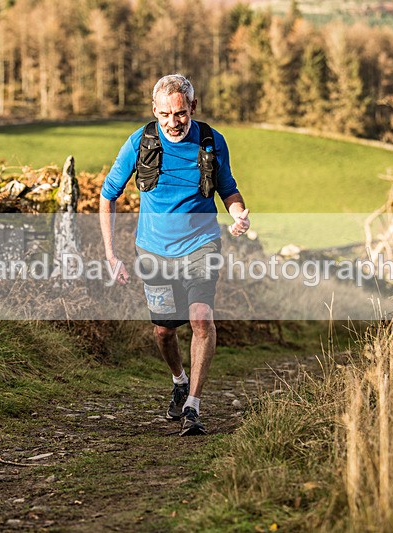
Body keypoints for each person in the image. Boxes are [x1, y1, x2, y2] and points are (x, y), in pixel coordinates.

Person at [99, 74, 250, 436]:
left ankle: (193, 407)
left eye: (180, 113)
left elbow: (228, 189)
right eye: (165, 114)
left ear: (192, 108)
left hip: (202, 244)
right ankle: (179, 380)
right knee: (164, 331)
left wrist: (239, 213)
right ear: (155, 110)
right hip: (153, 250)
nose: (173, 122)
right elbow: (108, 196)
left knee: (201, 319)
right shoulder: (139, 142)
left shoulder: (212, 141)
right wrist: (110, 254)